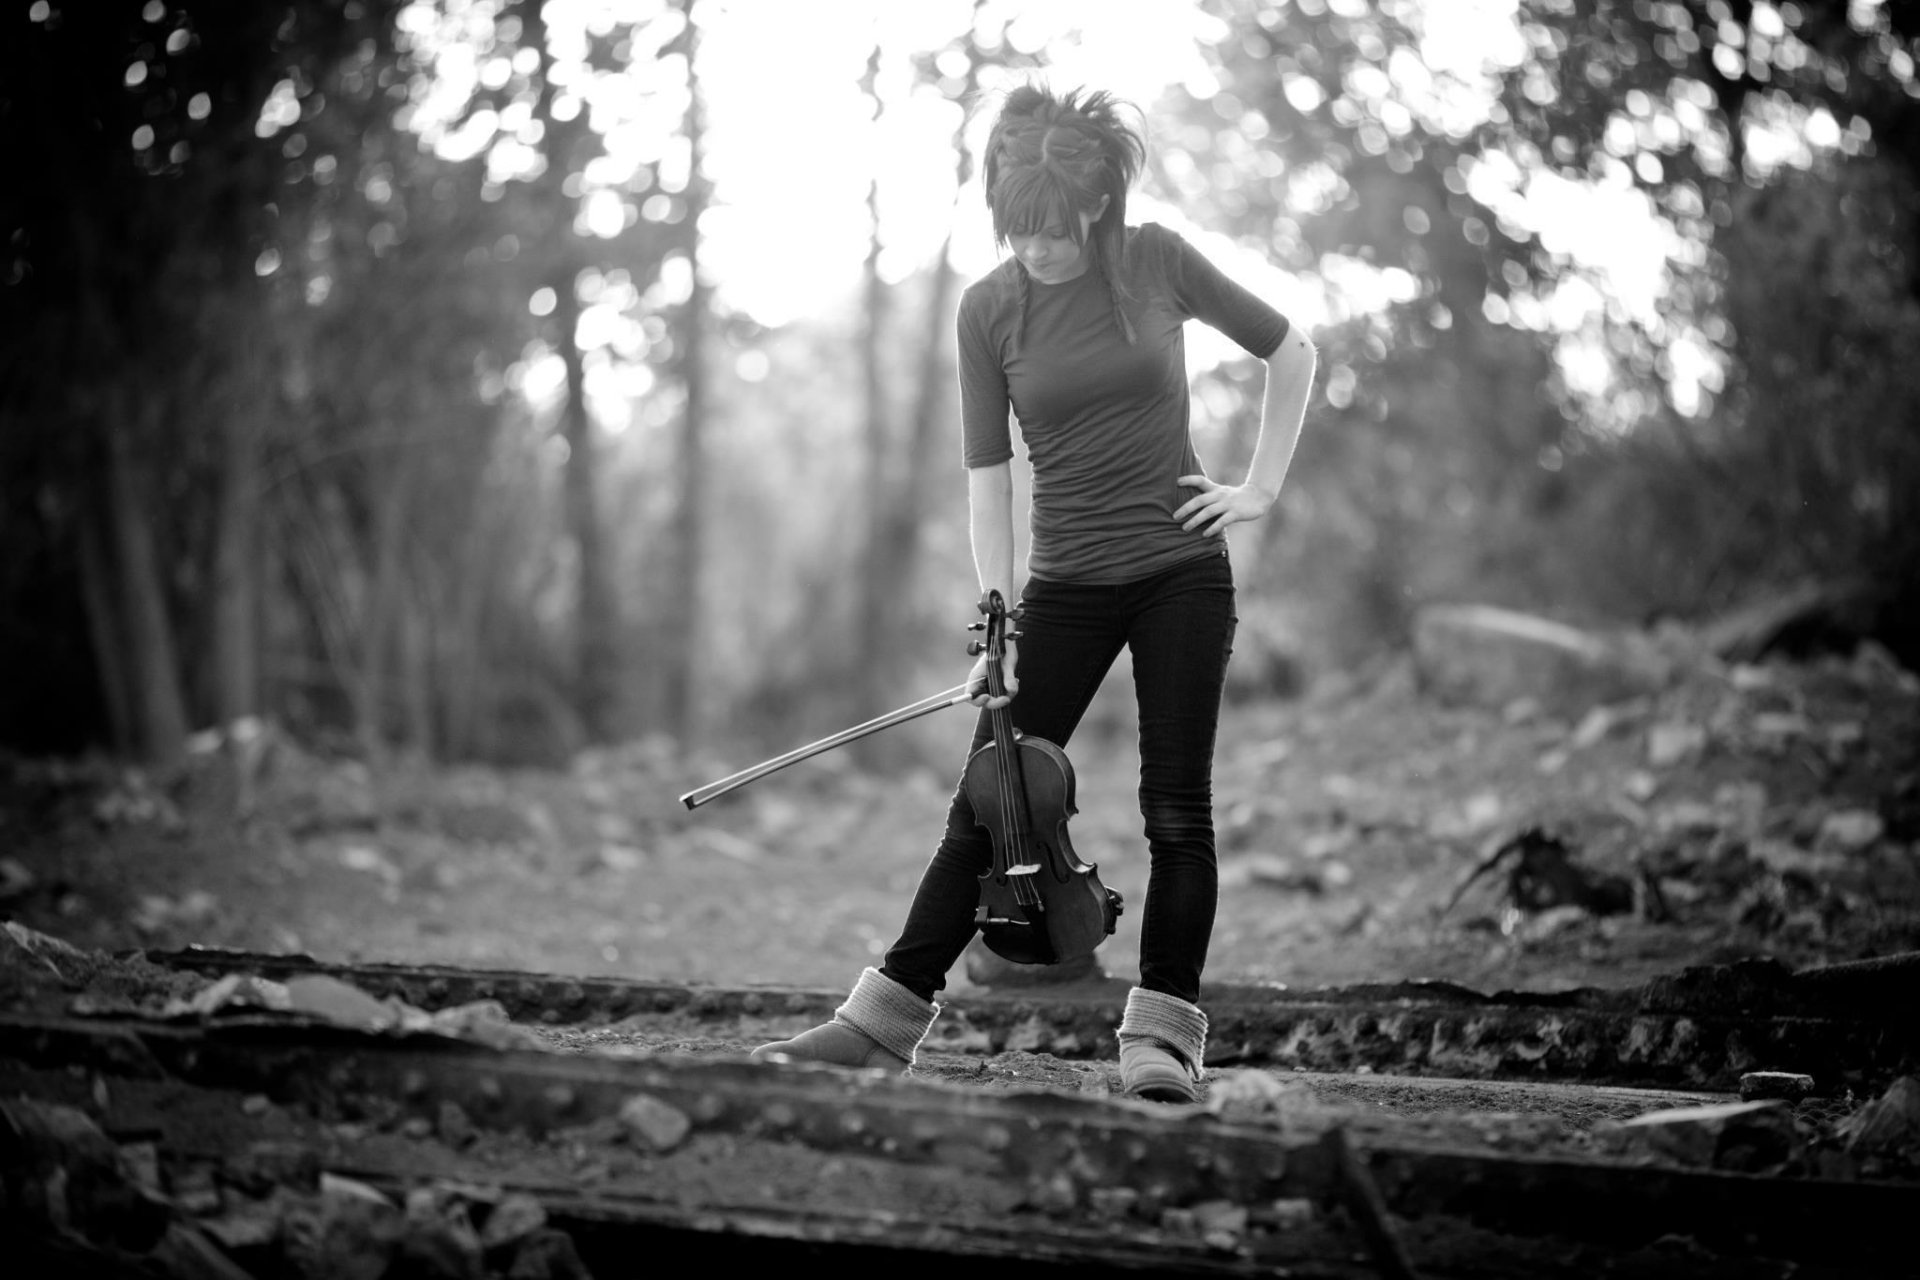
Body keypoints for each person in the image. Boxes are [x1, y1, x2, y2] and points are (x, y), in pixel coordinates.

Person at [753, 84, 1316, 1102]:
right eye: (1018, 231)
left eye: (1052, 232)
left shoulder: (1158, 261)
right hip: (1063, 586)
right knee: (988, 807)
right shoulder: (989, 308)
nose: (1036, 250)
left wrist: (1258, 488)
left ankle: (1162, 1040)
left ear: (1095, 208)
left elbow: (1292, 349)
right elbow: (989, 479)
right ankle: (877, 1023)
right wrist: (997, 623)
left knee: (1176, 810)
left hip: (1182, 572)